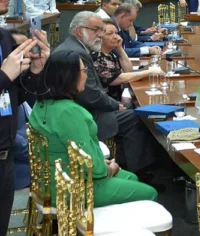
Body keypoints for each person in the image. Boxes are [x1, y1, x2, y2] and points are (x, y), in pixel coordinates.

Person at [28, 50, 158, 207]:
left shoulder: (41, 104)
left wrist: (102, 164)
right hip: (73, 188)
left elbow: (74, 151)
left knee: (131, 178)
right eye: (84, 71)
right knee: (150, 193)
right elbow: (94, 169)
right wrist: (110, 169)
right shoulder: (69, 112)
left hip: (52, 181)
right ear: (69, 76)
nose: (87, 75)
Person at [51, 11, 157, 174]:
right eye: (96, 30)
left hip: (84, 109)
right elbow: (89, 94)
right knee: (136, 118)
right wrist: (115, 105)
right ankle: (139, 171)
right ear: (80, 31)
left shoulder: (75, 47)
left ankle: (124, 163)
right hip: (86, 115)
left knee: (132, 112)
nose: (100, 35)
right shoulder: (77, 53)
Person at [0, 0, 50, 234]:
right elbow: (5, 79)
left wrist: (37, 70)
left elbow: (24, 97)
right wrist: (4, 75)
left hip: (4, 158)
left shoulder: (4, 38)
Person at [93, 22, 163, 105]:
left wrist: (120, 49)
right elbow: (119, 78)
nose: (116, 37)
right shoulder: (97, 56)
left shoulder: (110, 53)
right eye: (110, 34)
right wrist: (150, 72)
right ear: (99, 37)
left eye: (116, 33)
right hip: (109, 105)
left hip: (118, 98)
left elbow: (129, 70)